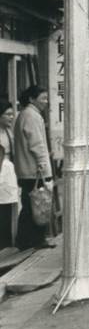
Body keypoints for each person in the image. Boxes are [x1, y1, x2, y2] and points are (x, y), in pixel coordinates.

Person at [12, 86, 53, 251]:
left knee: (30, 205)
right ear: (31, 99)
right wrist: (43, 164)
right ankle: (34, 239)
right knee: (37, 205)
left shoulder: (26, 114)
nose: (46, 101)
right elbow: (37, 144)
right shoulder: (31, 116)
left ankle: (28, 240)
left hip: (28, 168)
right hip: (35, 169)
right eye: (42, 98)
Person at [0, 100, 18, 249]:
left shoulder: (8, 131)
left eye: (12, 114)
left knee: (7, 209)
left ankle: (6, 244)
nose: (11, 117)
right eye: (7, 114)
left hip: (8, 172)